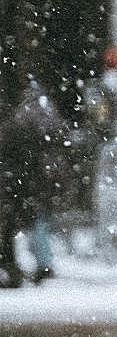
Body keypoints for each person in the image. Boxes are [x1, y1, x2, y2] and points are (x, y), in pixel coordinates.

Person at [0, 78, 73, 286]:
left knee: (24, 225)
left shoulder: (21, 121)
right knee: (38, 222)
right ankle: (40, 264)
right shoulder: (47, 115)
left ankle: (24, 267)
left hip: (26, 181)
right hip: (42, 179)